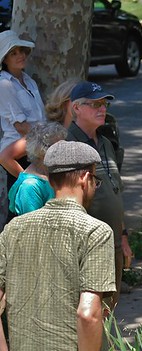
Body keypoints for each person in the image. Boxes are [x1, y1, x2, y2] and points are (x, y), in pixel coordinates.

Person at [0, 140, 115, 351]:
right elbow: (88, 313)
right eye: (95, 180)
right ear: (85, 178)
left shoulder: (13, 228)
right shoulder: (95, 231)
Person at [66, 81, 133, 308]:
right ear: (76, 108)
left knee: (109, 308)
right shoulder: (68, 145)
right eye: (95, 104)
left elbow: (115, 190)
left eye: (104, 104)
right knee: (88, 310)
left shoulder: (105, 142)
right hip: (87, 245)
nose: (102, 109)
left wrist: (123, 236)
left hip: (112, 241)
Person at [0, 30, 45, 228]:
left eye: (22, 51)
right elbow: (20, 126)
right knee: (21, 206)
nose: (21, 55)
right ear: (5, 59)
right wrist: (48, 142)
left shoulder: (29, 80)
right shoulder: (4, 84)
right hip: (17, 150)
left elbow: (39, 118)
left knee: (33, 203)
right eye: (14, 52)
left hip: (35, 146)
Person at [8, 122, 67, 215]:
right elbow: (31, 226)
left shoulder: (51, 172)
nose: (64, 150)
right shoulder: (30, 186)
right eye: (57, 147)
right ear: (41, 150)